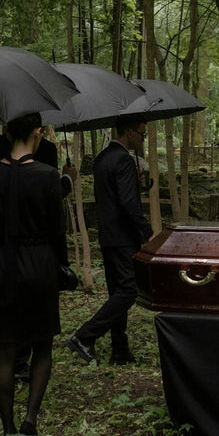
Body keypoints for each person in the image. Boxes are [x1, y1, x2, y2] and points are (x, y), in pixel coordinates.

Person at [0, 112, 69, 436]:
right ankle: (30, 419)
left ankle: (8, 428)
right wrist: (62, 266)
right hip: (39, 264)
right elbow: (57, 231)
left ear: (8, 133)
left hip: (2, 264)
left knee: (4, 349)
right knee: (42, 345)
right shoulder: (47, 175)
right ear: (37, 132)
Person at [0, 128, 77, 383]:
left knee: (29, 329)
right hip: (26, 249)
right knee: (20, 336)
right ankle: (17, 364)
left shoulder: (45, 151)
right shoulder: (0, 153)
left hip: (14, 250)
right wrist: (67, 182)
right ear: (35, 132)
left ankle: (19, 362)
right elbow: (51, 212)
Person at [67, 114, 153, 366]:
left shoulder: (103, 157)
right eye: (142, 133)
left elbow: (114, 194)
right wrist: (146, 232)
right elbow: (127, 203)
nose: (143, 138)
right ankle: (85, 336)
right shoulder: (123, 160)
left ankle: (119, 349)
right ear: (129, 132)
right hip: (123, 236)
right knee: (129, 290)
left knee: (117, 290)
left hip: (107, 235)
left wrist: (139, 185)